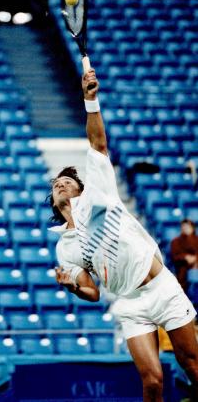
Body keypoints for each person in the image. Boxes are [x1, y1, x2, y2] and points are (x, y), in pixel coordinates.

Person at [51, 69, 198, 402]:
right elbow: (91, 293)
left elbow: (97, 142)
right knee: (152, 382)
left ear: (80, 188)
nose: (61, 183)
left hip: (162, 288)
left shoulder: (99, 192)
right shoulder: (65, 247)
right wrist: (72, 286)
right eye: (56, 184)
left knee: (193, 367)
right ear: (54, 199)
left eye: (68, 181)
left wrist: (90, 99)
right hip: (129, 304)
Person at [171, 219, 198, 291]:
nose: (186, 229)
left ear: (193, 228)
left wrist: (195, 259)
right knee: (182, 271)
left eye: (188, 227)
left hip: (196, 264)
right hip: (183, 267)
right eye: (184, 227)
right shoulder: (175, 241)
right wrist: (185, 257)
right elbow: (174, 256)